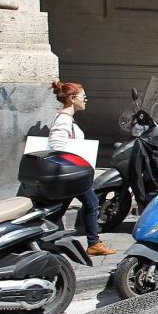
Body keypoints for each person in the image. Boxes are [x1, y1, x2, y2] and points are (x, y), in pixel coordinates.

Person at [48, 80, 115, 258]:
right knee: (91, 203)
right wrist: (71, 164)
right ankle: (93, 243)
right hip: (71, 174)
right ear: (72, 98)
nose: (85, 100)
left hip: (72, 174)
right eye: (83, 97)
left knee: (60, 209)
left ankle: (42, 237)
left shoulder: (67, 119)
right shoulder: (63, 120)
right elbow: (56, 147)